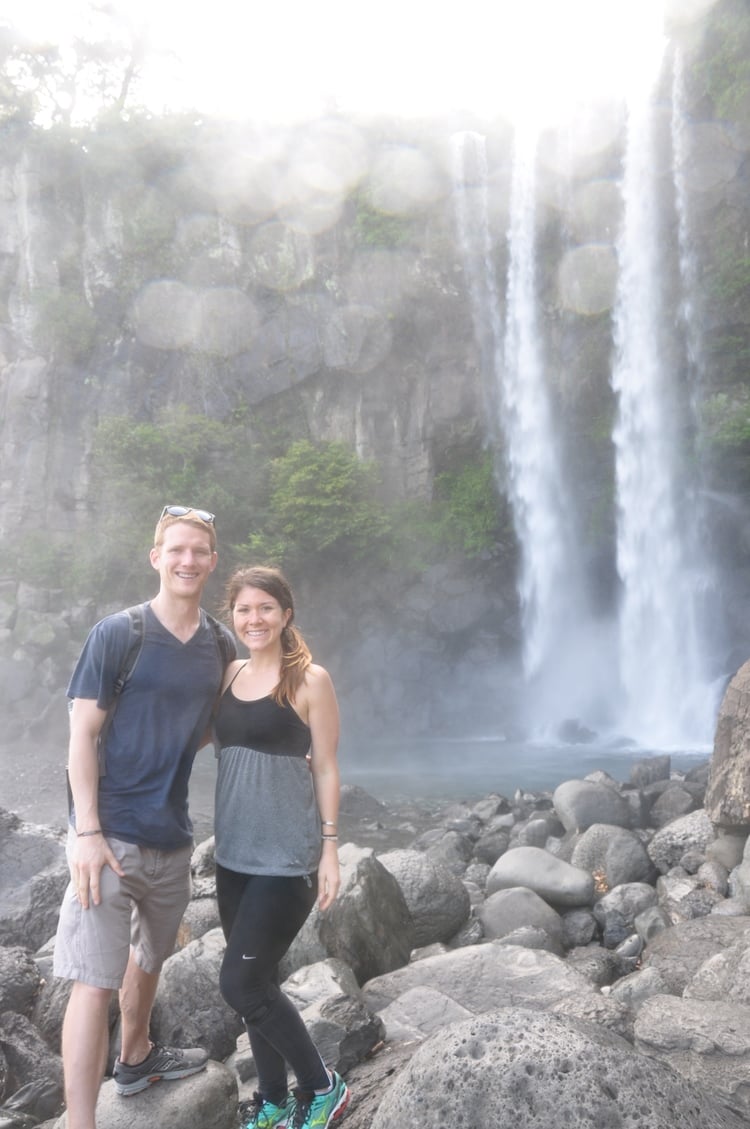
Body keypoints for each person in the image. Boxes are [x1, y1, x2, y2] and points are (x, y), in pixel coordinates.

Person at [54, 505, 236, 1129]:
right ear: (156, 556)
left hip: (172, 835)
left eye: (199, 552)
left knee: (151, 957)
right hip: (107, 839)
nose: (188, 561)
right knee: (92, 982)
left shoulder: (220, 643)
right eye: (176, 550)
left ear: (213, 562)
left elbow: (224, 719)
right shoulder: (119, 634)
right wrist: (85, 831)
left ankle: (135, 1057)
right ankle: (81, 1122)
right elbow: (82, 734)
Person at [213, 565, 350, 1129]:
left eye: (265, 608)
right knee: (259, 984)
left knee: (239, 982)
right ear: (233, 616)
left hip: (285, 858)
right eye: (244, 609)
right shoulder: (227, 673)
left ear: (285, 614)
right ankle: (271, 1100)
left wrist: (330, 850)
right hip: (232, 858)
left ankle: (322, 1087)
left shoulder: (309, 680)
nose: (254, 618)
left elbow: (326, 767)